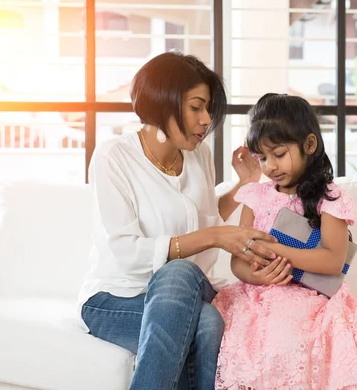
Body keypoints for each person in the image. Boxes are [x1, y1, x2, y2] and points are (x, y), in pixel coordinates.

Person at [77, 52, 278, 390]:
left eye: (209, 109)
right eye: (196, 107)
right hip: (116, 298)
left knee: (181, 273)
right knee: (207, 321)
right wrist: (215, 236)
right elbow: (129, 253)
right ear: (163, 102)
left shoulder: (199, 153)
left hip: (187, 289)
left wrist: (245, 183)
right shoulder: (114, 157)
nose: (206, 120)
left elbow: (206, 214)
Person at [212, 93, 357, 390]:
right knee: (227, 334)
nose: (270, 166)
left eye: (278, 154)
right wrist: (253, 275)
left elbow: (332, 260)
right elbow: (238, 259)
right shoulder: (256, 196)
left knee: (285, 336)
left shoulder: (329, 198)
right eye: (262, 158)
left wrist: (275, 249)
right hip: (256, 293)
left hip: (308, 296)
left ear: (309, 145)